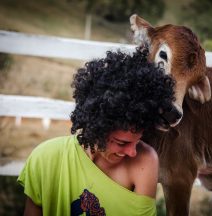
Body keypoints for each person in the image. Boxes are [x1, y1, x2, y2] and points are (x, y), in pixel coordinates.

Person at [17, 48, 175, 216]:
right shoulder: (46, 159)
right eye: (122, 142)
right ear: (96, 128)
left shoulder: (145, 161)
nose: (132, 152)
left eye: (138, 140)